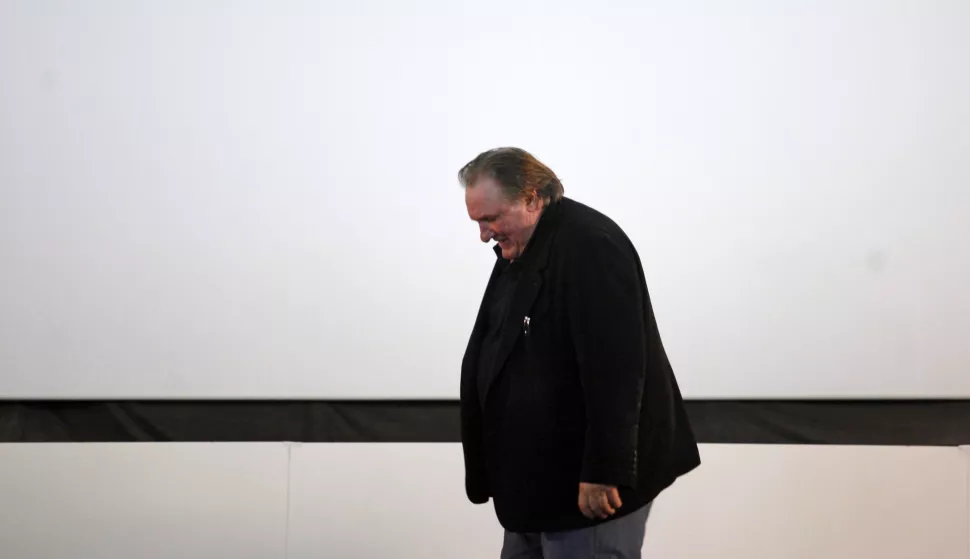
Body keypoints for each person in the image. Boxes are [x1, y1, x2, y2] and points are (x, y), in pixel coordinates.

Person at [457, 147, 701, 559]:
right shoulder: (522, 245)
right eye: (478, 222)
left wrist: (605, 470)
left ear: (532, 197)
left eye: (491, 219)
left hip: (585, 492)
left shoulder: (591, 246)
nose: (484, 235)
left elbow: (617, 369)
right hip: (536, 487)